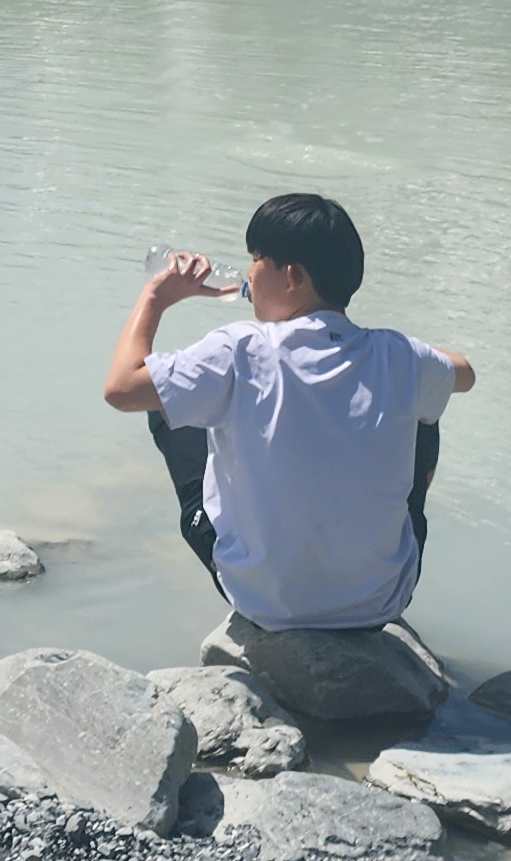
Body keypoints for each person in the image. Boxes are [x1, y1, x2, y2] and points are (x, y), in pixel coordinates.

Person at [99, 190, 471, 635]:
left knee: (165, 401)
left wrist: (155, 298)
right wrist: (406, 355)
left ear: (292, 276)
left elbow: (121, 388)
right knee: (427, 404)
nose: (249, 274)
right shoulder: (398, 355)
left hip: (266, 603)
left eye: (256, 260)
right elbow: (463, 373)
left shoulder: (240, 347)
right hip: (381, 599)